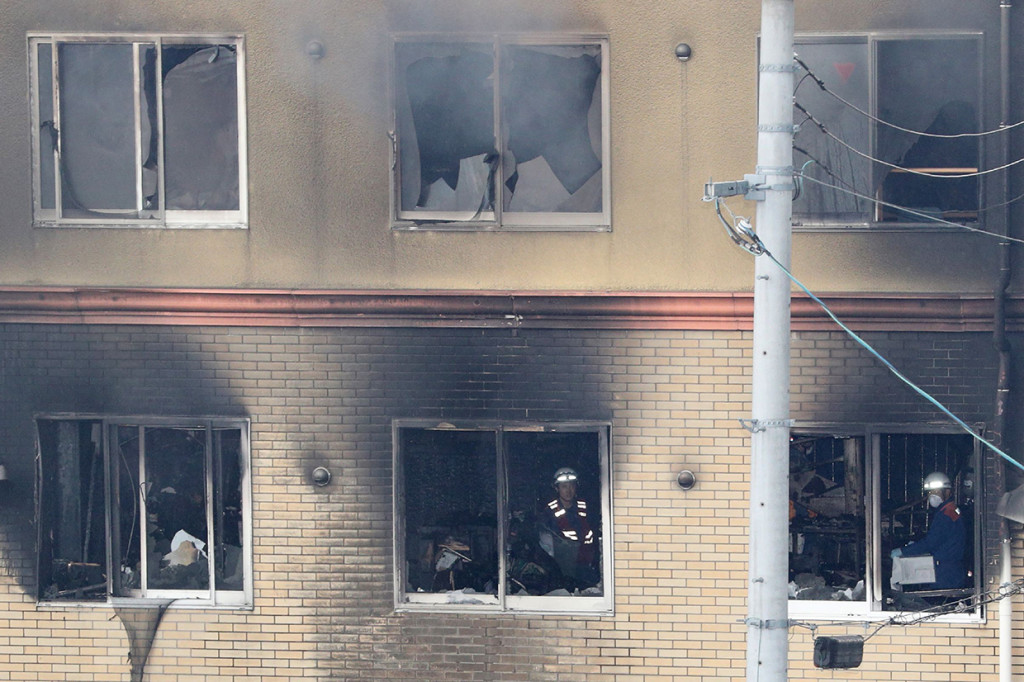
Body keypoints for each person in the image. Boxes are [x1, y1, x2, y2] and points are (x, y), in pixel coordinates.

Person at [890, 472, 967, 590]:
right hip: (951, 568)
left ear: (947, 492)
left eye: (936, 491)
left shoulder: (945, 515)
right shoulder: (950, 510)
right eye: (930, 492)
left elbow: (931, 543)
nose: (932, 495)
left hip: (945, 572)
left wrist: (904, 551)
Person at [540, 467, 598, 589]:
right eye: (564, 487)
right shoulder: (549, 512)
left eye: (571, 486)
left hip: (586, 564)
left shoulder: (585, 507)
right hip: (562, 567)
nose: (568, 490)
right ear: (557, 488)